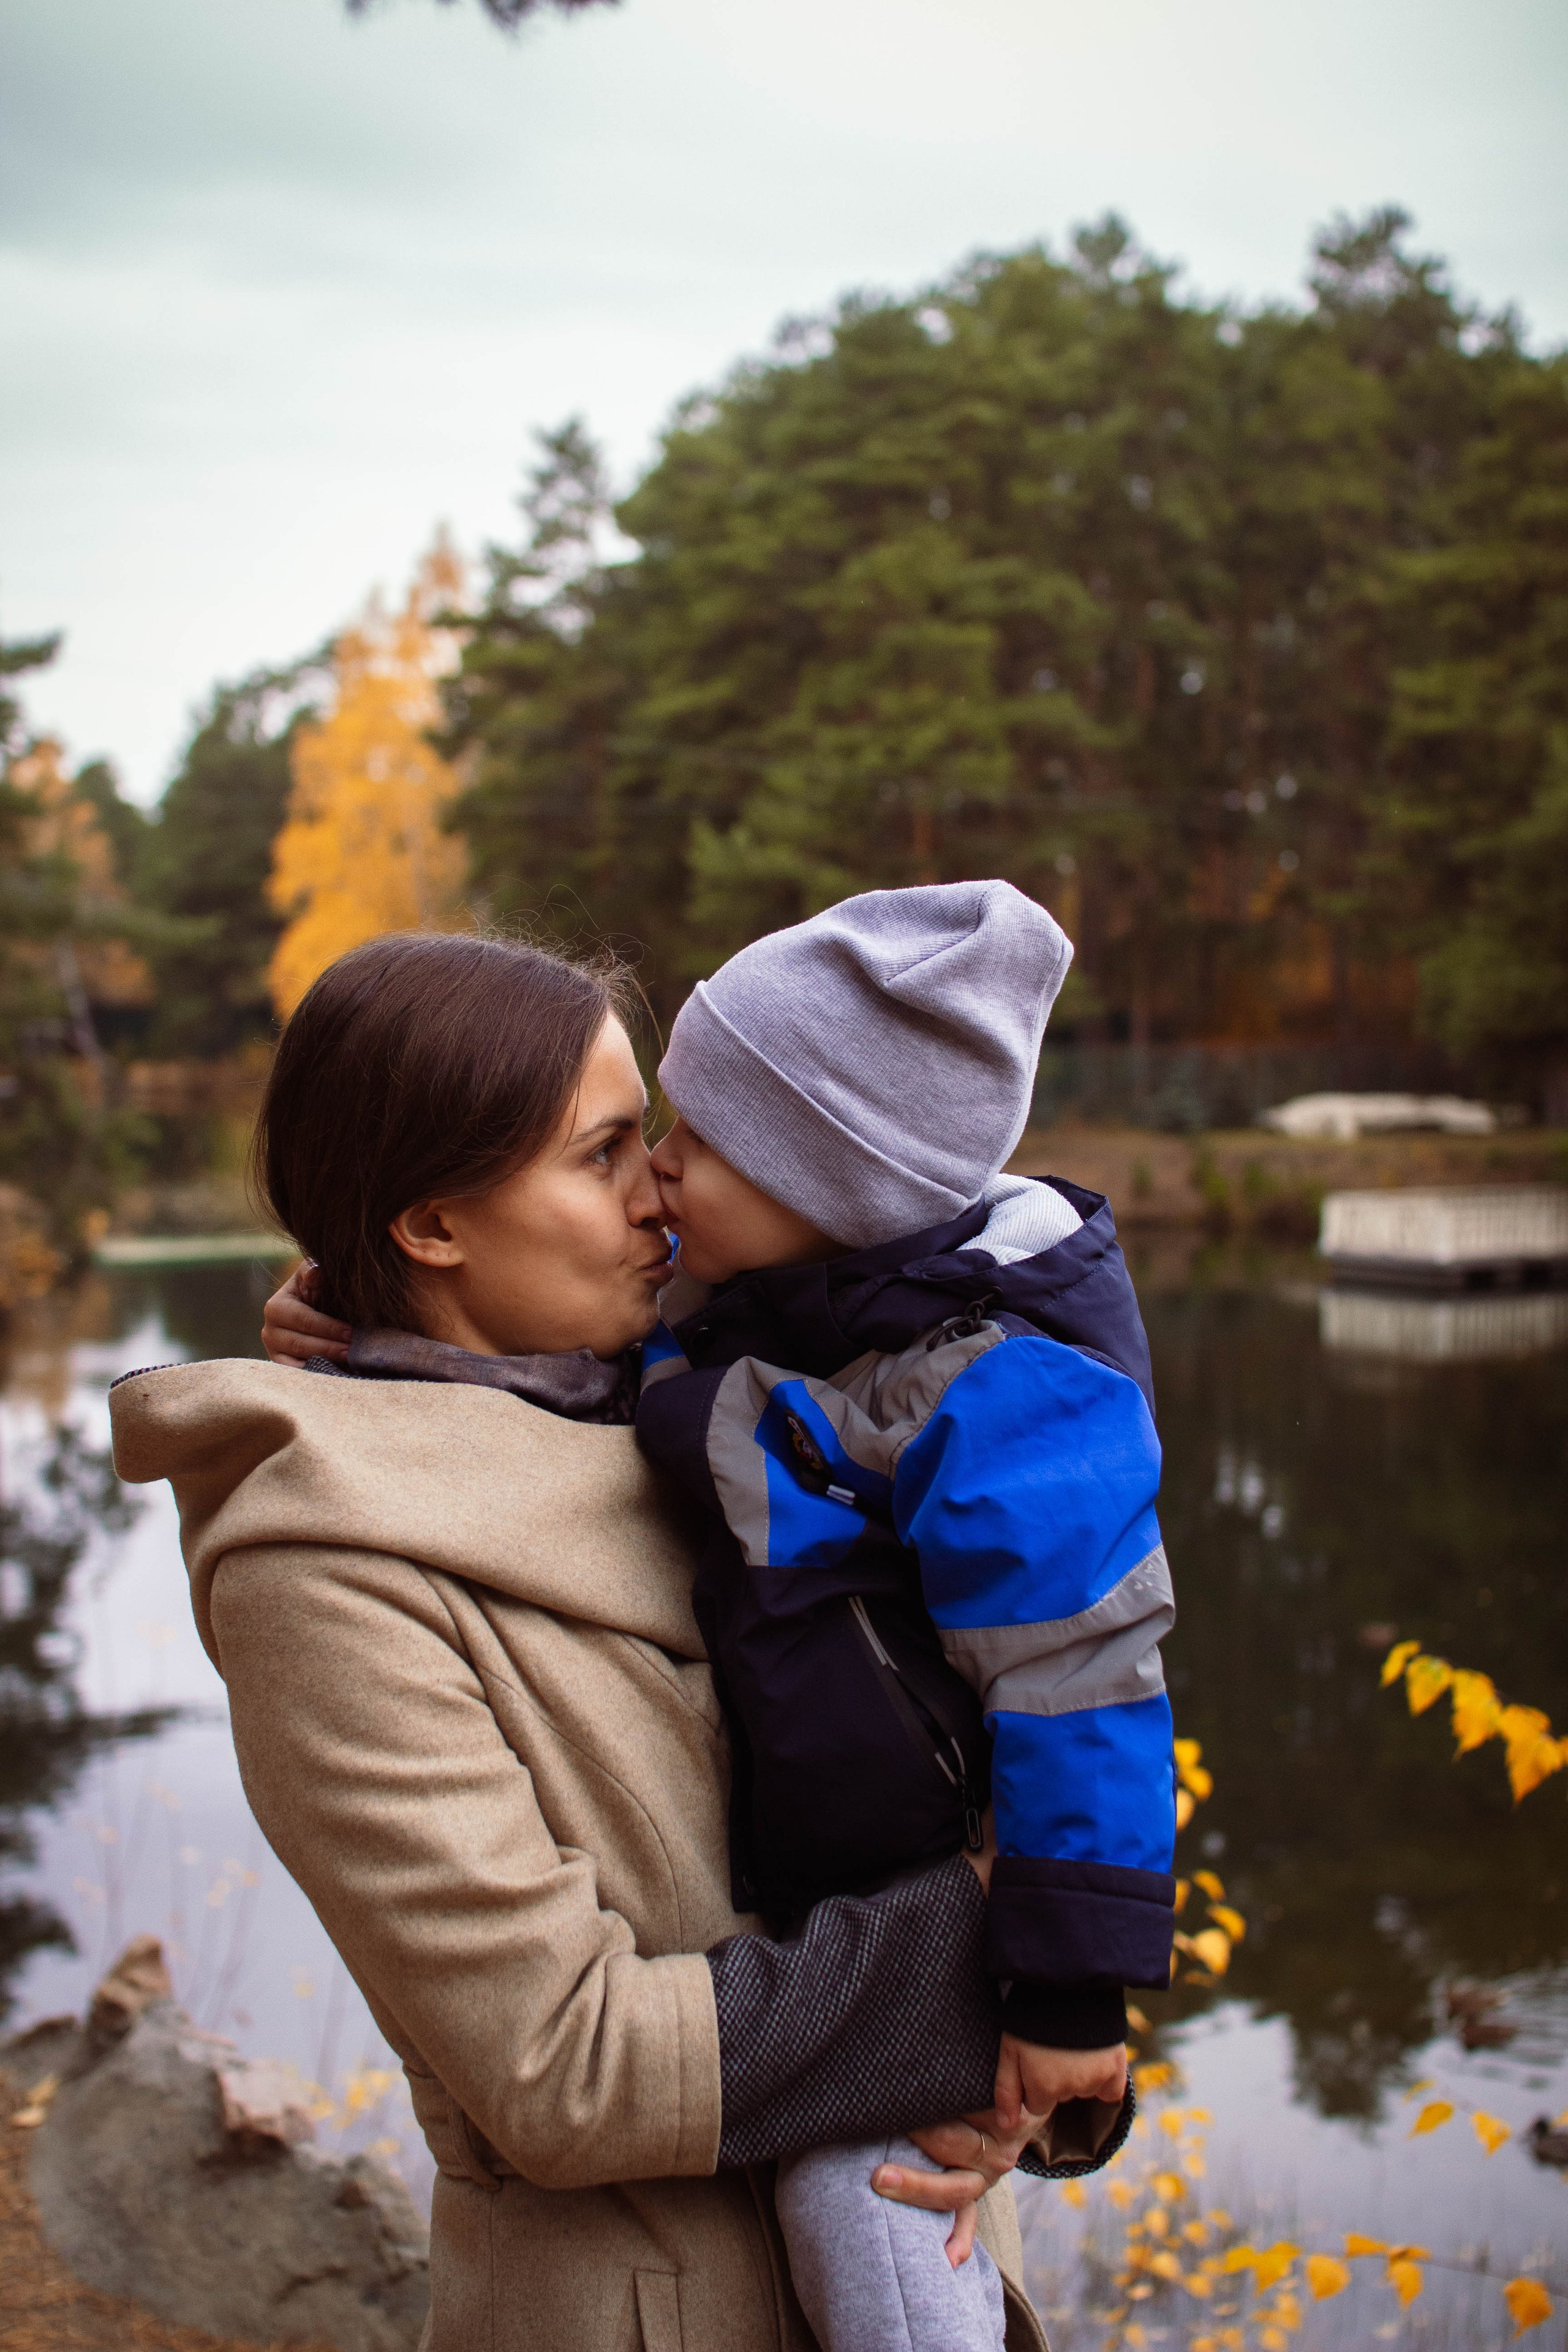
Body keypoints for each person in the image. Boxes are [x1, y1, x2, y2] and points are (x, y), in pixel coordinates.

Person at [111, 931, 1054, 2352]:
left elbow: (1019, 1685)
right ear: (431, 1227)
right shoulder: (322, 1574)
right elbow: (567, 2068)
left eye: (658, 1140)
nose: (663, 1199)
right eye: (604, 1155)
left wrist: (1044, 2049)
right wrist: (1003, 1939)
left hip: (920, 2252)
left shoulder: (720, 1396)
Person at [635, 882, 1175, 2352]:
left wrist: (1067, 1989)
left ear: (832, 1179)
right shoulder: (767, 1301)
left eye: (698, 1140)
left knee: (870, 2200)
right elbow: (550, 1338)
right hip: (823, 1903)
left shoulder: (1005, 1388)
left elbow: (1082, 1673)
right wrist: (354, 1322)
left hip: (930, 1915)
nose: (656, 1171)